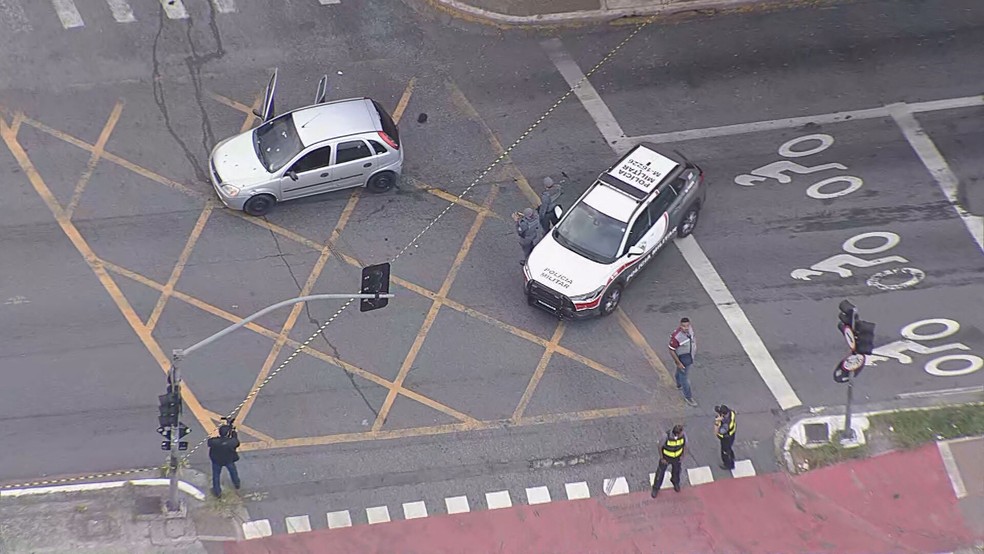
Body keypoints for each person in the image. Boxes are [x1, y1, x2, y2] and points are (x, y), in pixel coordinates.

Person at [669, 317, 698, 407]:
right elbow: (671, 350)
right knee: (685, 379)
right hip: (683, 358)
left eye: (687, 325)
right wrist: (678, 362)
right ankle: (688, 397)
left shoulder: (690, 330)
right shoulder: (677, 337)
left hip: (689, 356)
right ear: (680, 325)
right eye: (683, 326)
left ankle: (678, 384)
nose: (686, 328)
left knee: (680, 372)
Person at [651, 424, 686, 498]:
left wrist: (682, 455)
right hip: (666, 458)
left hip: (677, 458)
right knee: (660, 473)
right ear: (677, 434)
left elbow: (685, 445)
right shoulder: (666, 437)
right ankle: (656, 488)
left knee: (677, 471)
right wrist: (662, 458)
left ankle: (675, 482)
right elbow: (660, 446)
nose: (683, 433)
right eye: (681, 432)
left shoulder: (683, 436)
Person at [207, 423, 241, 498]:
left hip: (217, 460)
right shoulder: (232, 442)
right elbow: (236, 442)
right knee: (233, 472)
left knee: (216, 475)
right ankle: (237, 484)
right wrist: (234, 433)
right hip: (228, 460)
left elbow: (209, 442)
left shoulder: (214, 441)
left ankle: (217, 492)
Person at [715, 405, 737, 470]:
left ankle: (729, 465)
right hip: (732, 434)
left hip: (726, 438)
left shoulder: (726, 425)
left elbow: (717, 432)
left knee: (725, 452)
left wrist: (717, 422)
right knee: (729, 448)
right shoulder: (731, 413)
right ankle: (731, 455)